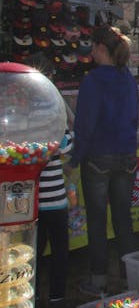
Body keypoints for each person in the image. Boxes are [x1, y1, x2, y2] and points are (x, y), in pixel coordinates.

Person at [71, 25, 139, 297]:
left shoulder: (94, 80)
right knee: (124, 220)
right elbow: (135, 117)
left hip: (98, 156)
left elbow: (84, 124)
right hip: (127, 155)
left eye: (93, 48)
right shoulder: (128, 78)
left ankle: (98, 281)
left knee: (97, 222)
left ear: (101, 48)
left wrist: (75, 158)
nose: (91, 53)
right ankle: (129, 279)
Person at [37, 129, 73, 307]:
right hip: (55, 201)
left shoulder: (22, 126)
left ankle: (31, 294)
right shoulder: (55, 126)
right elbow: (68, 147)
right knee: (59, 251)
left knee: (34, 251)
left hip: (32, 201)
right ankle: (57, 297)